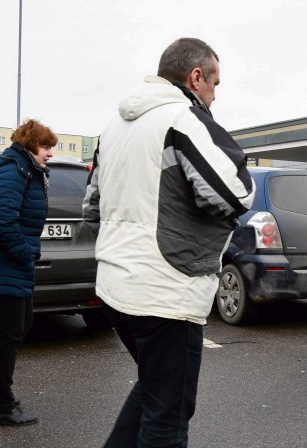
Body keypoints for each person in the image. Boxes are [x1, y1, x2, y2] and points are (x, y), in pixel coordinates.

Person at [83, 37, 255, 447]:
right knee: (168, 418)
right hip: (165, 293)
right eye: (214, 83)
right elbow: (236, 194)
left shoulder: (112, 129)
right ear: (196, 77)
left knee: (153, 391)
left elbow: (92, 207)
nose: (214, 96)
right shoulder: (184, 119)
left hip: (115, 287)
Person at [0, 119, 56, 425]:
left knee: (19, 327)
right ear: (30, 144)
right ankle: (1, 405)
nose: (49, 153)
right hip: (4, 264)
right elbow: (4, 222)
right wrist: (25, 253)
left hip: (12, 265)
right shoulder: (12, 170)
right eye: (45, 147)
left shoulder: (26, 170)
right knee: (10, 333)